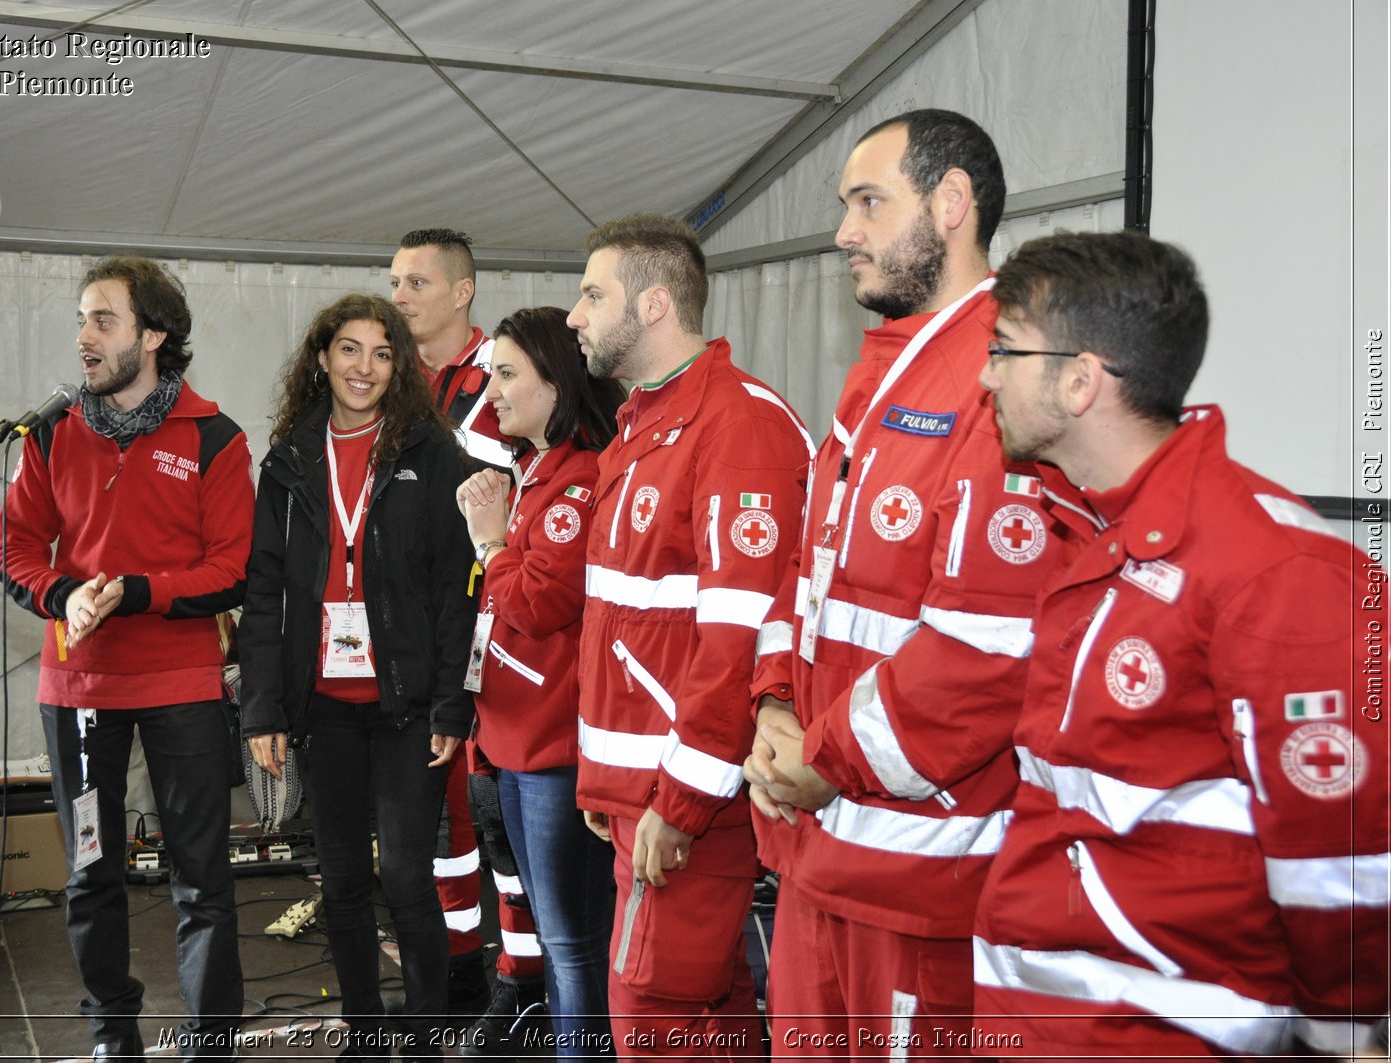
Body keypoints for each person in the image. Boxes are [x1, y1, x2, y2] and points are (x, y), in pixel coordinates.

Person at [970, 230, 1389, 1059]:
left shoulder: (1277, 570)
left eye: (1004, 350)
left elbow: (1345, 850)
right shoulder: (1098, 529)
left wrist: (1341, 1036)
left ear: (1082, 379)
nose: (984, 373)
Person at [741, 109, 1069, 1057]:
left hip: (919, 882)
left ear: (952, 203)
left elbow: (986, 654)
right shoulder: (888, 368)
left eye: (869, 203)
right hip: (818, 850)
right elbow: (806, 573)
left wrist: (824, 759)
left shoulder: (1002, 373)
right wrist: (769, 705)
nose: (845, 231)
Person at [0, 256, 251, 1061]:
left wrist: (137, 591)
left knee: (201, 879)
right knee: (91, 874)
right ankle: (113, 1034)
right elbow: (15, 549)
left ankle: (212, 1043)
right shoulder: (50, 433)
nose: (84, 337)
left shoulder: (215, 436)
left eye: (103, 319)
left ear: (154, 334)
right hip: (78, 688)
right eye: (81, 319)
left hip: (181, 686)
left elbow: (231, 568)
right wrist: (61, 593)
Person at [568, 212, 813, 1059]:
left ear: (656, 303)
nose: (575, 315)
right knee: (709, 1014)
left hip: (688, 804)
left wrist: (677, 800)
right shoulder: (642, 423)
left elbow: (736, 639)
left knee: (652, 1017)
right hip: (641, 795)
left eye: (593, 293)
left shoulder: (739, 425)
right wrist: (610, 786)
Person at [239, 293, 476, 1059]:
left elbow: (454, 588)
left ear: (399, 366)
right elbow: (265, 591)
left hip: (407, 707)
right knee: (340, 880)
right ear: (321, 358)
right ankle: (367, 1033)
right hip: (323, 707)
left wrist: (451, 702)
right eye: (348, 349)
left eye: (381, 352)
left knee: (407, 876)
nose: (363, 367)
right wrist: (262, 709)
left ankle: (427, 1036)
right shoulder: (289, 460)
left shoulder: (431, 454)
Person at [455, 306, 626, 1059]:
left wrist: (491, 542)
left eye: (506, 372)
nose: (490, 390)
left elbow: (534, 602)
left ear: (557, 381)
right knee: (561, 941)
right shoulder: (539, 472)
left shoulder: (580, 480)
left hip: (556, 747)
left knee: (573, 942)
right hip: (518, 739)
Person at [391, 228, 548, 1027]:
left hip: (498, 628)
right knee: (441, 818)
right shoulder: (387, 384)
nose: (399, 296)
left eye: (416, 282)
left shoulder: (508, 379)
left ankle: (524, 975)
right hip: (411, 639)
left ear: (463, 292)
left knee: (498, 817)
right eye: (394, 282)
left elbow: (544, 488)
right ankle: (457, 969)